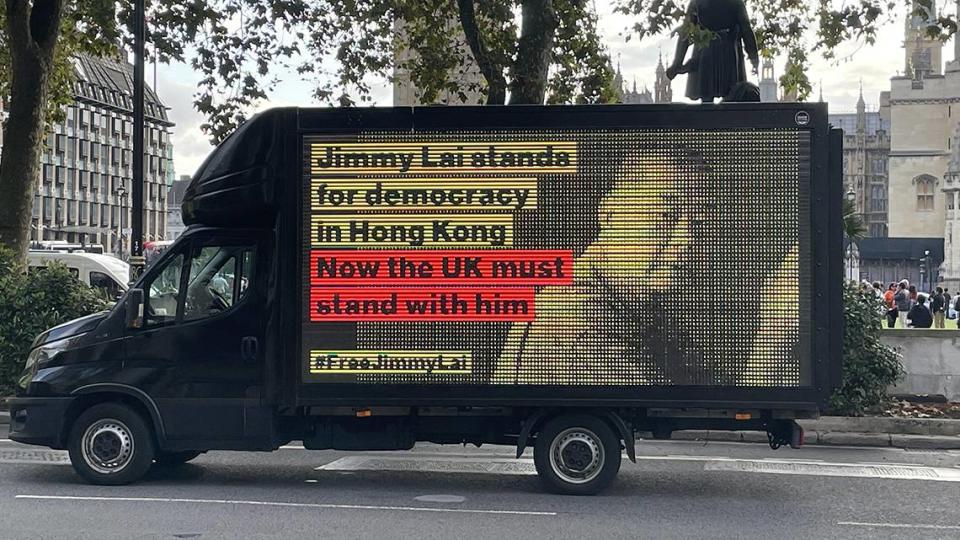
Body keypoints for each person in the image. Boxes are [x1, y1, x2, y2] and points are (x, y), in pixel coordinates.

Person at [665, 0, 760, 102]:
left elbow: (685, 33)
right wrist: (754, 57)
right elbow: (746, 30)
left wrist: (677, 63)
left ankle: (707, 115)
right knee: (732, 96)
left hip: (705, 53)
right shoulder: (736, 2)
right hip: (729, 54)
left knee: (706, 99)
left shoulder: (697, 2)